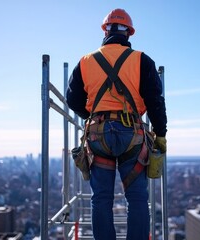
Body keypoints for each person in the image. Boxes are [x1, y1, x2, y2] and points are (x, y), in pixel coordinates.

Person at [66, 8, 167, 240]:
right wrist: (160, 134)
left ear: (106, 31)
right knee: (137, 198)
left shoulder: (85, 61)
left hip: (98, 135)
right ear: (128, 33)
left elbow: (73, 100)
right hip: (132, 133)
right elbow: (155, 102)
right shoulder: (142, 60)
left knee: (101, 198)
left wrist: (94, 116)